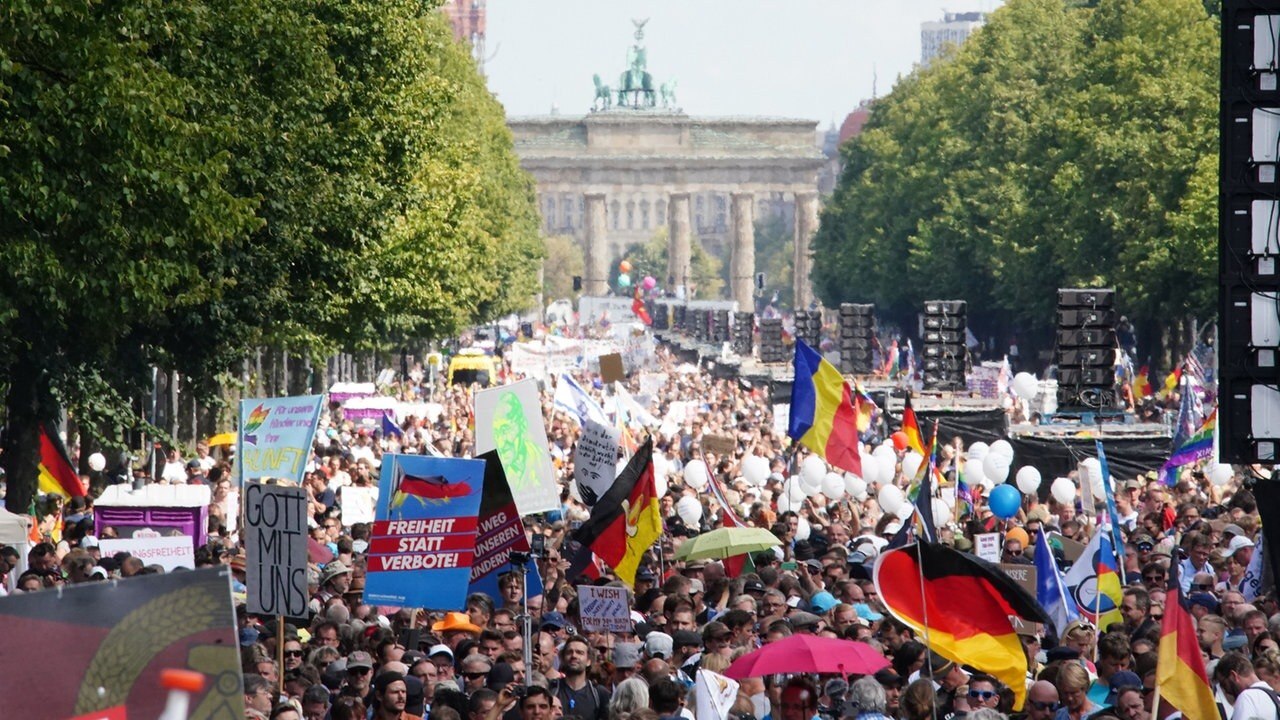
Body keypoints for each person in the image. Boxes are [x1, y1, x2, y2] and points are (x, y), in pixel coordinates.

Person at [550, 636, 610, 720]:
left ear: (588, 661)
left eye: (579, 652)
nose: (574, 655)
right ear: (563, 659)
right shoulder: (551, 689)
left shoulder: (599, 694)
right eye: (569, 652)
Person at [1215, 652, 1280, 720]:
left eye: (1224, 684)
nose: (1227, 691)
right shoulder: (1276, 697)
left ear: (1234, 676)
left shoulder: (1247, 697)